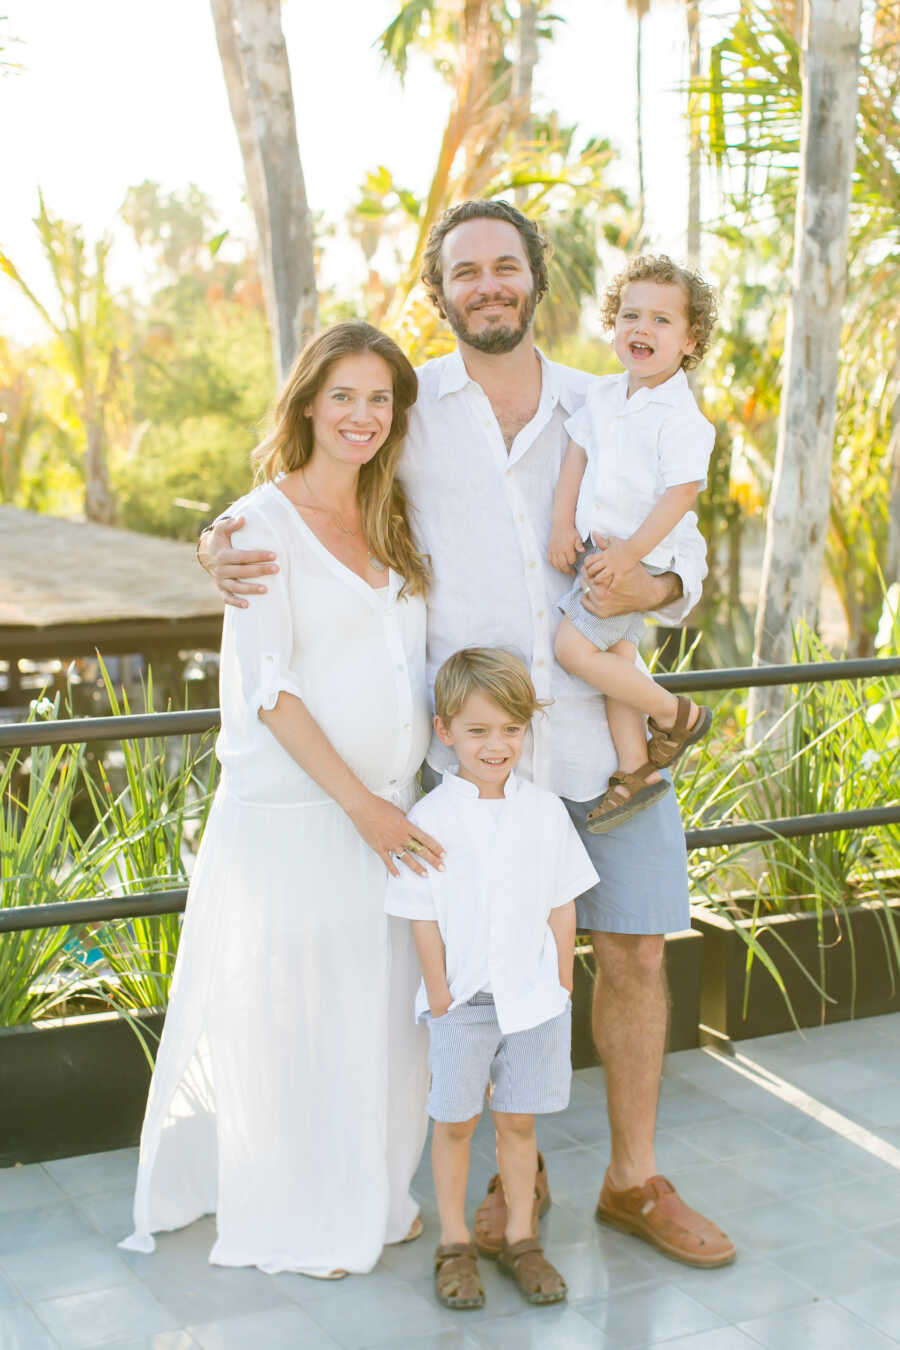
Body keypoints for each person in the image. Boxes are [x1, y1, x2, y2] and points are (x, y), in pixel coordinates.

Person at [199, 200, 736, 1269]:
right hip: (472, 767)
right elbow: (312, 495)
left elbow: (690, 564)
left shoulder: (611, 399)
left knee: (631, 952)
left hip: (600, 746)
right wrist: (215, 544)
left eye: (506, 266)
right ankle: (509, 1186)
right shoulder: (405, 412)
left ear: (537, 278)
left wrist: (661, 578)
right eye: (465, 273)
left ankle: (634, 1182)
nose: (488, 285)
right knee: (489, 974)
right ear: (438, 292)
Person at [121, 321, 446, 1278]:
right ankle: (305, 1219)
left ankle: (374, 1198)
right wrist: (363, 809)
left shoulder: (389, 515)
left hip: (391, 810)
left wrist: (400, 801)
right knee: (299, 1018)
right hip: (311, 815)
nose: (362, 416)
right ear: (307, 402)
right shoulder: (256, 526)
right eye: (343, 395)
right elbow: (271, 690)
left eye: (380, 399)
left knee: (379, 1019)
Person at [385, 648, 599, 1310]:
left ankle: (521, 1238)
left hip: (534, 1002)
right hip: (463, 1006)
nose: (495, 745)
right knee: (454, 1123)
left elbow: (562, 905)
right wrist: (441, 996)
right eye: (477, 730)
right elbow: (421, 917)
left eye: (509, 729)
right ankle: (455, 1243)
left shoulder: (544, 811)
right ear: (444, 731)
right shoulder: (430, 820)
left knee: (519, 1125)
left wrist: (560, 985)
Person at [548, 255, 717, 834]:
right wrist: (560, 524)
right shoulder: (603, 396)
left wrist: (627, 555)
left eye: (662, 321)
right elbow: (577, 451)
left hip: (638, 555)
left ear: (690, 341)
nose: (641, 329)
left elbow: (682, 494)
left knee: (573, 651)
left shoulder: (682, 417)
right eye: (630, 315)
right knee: (616, 661)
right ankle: (637, 767)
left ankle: (678, 714)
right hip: (601, 552)